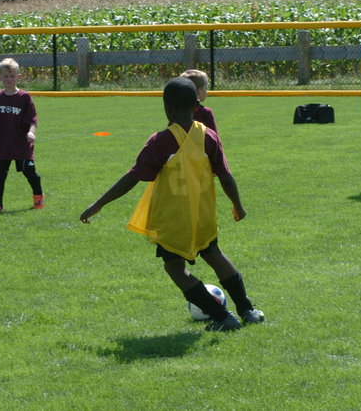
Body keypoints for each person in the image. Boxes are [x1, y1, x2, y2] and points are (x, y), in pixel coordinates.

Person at [80, 77, 264, 332]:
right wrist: (238, 206)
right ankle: (247, 310)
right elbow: (225, 176)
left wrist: (98, 204)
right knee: (214, 255)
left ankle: (223, 317)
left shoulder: (161, 141)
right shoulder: (208, 136)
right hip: (203, 215)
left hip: (174, 219)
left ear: (167, 108)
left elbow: (133, 177)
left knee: (175, 268)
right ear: (197, 105)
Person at [0, 58, 44, 211]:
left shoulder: (24, 97)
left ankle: (38, 200)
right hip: (2, 145)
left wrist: (31, 132)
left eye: (12, 76)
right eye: (5, 76)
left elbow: (32, 120)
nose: (9, 79)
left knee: (31, 173)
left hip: (22, 144)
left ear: (18, 77)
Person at [180, 69, 219, 135]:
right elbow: (214, 137)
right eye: (205, 87)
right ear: (199, 91)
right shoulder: (205, 113)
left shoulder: (176, 110)